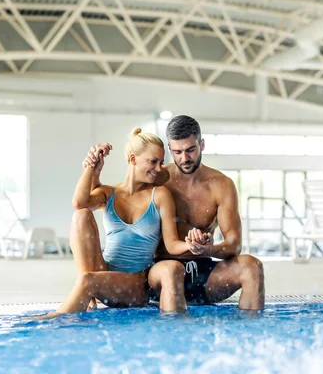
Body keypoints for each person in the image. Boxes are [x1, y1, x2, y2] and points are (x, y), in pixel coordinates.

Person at [88, 115, 265, 310]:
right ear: (170, 150)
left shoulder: (221, 185)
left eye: (190, 150)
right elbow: (117, 197)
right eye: (177, 152)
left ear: (202, 144)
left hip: (204, 275)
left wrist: (208, 250)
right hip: (161, 273)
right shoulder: (157, 177)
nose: (185, 158)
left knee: (252, 266)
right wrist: (93, 171)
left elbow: (234, 244)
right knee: (171, 271)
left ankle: (250, 332)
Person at [30, 128, 206, 320]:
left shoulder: (159, 195)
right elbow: (79, 203)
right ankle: (89, 297)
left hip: (134, 284)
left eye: (161, 162)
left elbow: (171, 243)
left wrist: (191, 244)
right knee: (81, 216)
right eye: (153, 161)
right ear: (133, 159)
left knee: (87, 280)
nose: (159, 168)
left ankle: (55, 319)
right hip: (104, 274)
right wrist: (92, 167)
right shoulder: (109, 192)